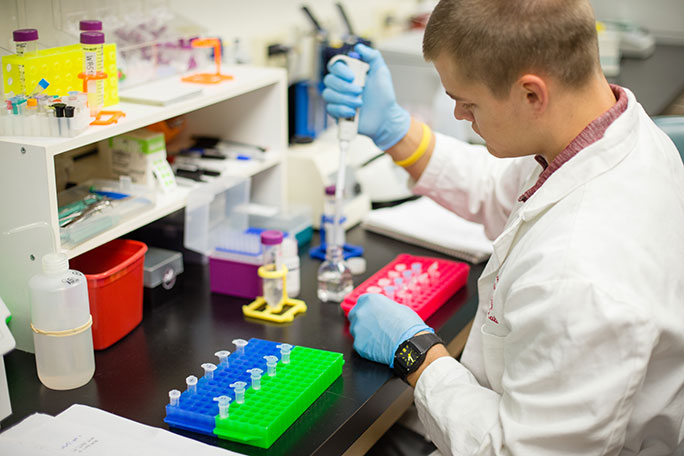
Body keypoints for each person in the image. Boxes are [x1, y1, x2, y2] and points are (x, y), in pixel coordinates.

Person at [323, 0, 684, 454]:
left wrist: (416, 353)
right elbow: (501, 188)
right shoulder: (614, 131)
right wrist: (396, 132)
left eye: (467, 103)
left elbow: (517, 450)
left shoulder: (579, 276)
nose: (458, 116)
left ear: (532, 94)